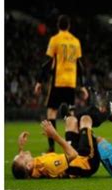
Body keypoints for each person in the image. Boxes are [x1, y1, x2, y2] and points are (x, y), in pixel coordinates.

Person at [34, 15, 89, 152]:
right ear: (69, 26)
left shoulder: (55, 40)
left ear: (58, 26)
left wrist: (39, 81)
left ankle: (51, 148)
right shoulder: (76, 41)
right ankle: (73, 146)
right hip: (70, 83)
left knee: (51, 113)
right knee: (70, 114)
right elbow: (79, 65)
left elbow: (47, 62)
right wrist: (82, 85)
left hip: (58, 82)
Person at [11, 117, 100, 179]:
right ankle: (106, 114)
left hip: (74, 156)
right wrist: (54, 135)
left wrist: (20, 146)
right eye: (21, 156)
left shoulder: (34, 167)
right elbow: (73, 154)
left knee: (71, 120)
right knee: (85, 119)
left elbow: (21, 167)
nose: (21, 153)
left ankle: (69, 115)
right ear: (28, 165)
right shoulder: (48, 164)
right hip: (86, 161)